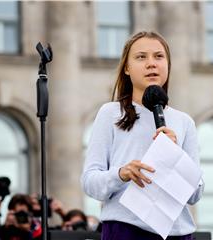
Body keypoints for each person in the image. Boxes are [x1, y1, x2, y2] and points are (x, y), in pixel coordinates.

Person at [80, 31, 204, 240]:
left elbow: (195, 195)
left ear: (167, 65)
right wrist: (121, 173)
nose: (151, 64)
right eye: (141, 57)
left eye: (158, 56)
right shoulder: (110, 113)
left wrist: (176, 157)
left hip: (177, 233)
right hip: (125, 229)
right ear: (126, 68)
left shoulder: (184, 122)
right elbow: (90, 182)